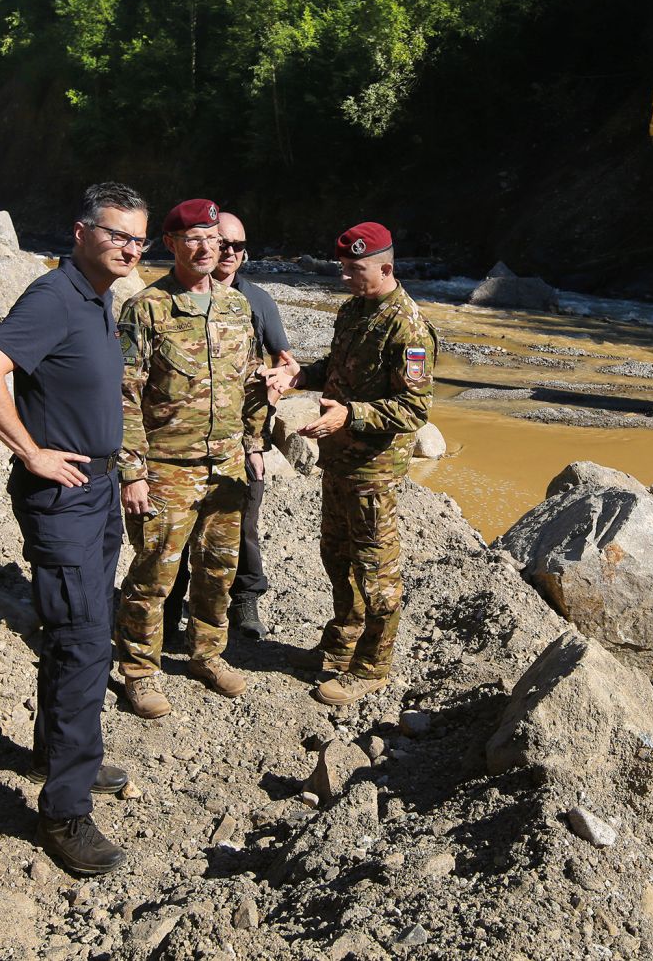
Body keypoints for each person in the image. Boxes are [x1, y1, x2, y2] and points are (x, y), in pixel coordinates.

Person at [0, 182, 145, 876]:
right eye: (117, 234)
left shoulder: (98, 301)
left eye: (138, 239)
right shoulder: (54, 298)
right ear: (80, 232)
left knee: (77, 635)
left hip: (94, 491)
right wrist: (30, 450)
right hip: (61, 497)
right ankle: (64, 812)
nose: (129, 248)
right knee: (85, 641)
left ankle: (54, 753)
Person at [115, 198, 271, 717]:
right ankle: (138, 670)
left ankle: (207, 654)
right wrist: (132, 472)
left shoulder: (237, 306)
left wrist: (253, 445)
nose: (207, 248)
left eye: (214, 238)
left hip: (226, 465)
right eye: (194, 239)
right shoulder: (147, 308)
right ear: (172, 245)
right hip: (165, 468)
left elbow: (252, 383)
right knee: (155, 573)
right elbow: (125, 395)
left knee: (218, 569)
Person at [290, 221, 437, 707]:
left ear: (386, 268)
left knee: (376, 571)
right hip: (339, 462)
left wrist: (350, 414)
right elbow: (337, 368)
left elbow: (415, 409)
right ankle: (342, 643)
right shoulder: (354, 310)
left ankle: (373, 667)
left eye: (355, 270)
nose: (345, 278)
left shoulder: (408, 326)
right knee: (336, 556)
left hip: (373, 468)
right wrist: (298, 376)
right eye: (344, 269)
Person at [164, 211, 301, 640]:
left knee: (240, 528)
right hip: (180, 446)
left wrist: (258, 440)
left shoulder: (254, 302)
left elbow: (284, 363)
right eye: (221, 243)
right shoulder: (164, 300)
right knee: (176, 536)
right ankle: (168, 613)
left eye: (238, 246)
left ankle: (243, 603)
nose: (228, 253)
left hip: (242, 441)